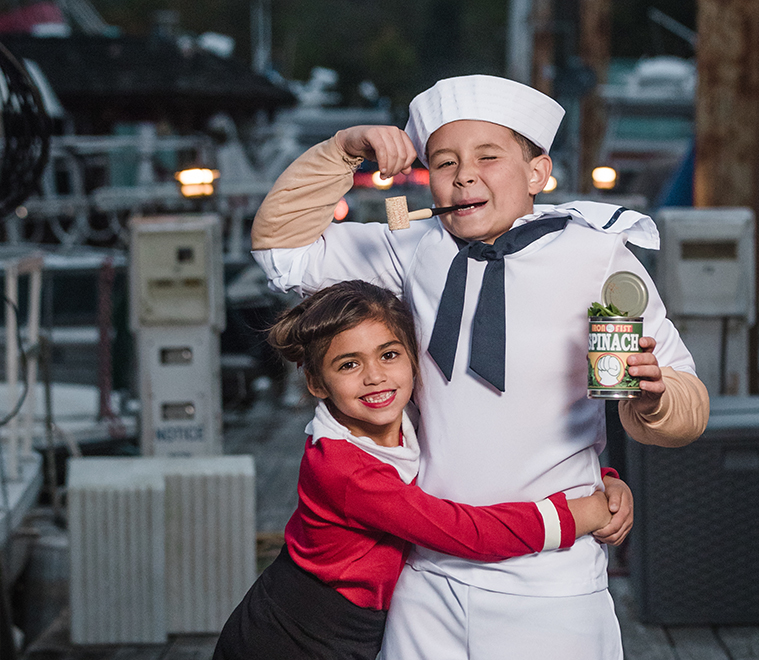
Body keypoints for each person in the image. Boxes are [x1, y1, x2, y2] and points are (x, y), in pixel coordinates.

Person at [251, 74, 710, 659]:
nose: (464, 175)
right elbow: (281, 251)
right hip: (426, 575)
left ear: (537, 173)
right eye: (445, 162)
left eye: (488, 157)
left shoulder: (599, 255)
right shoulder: (411, 245)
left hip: (553, 580)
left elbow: (688, 412)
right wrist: (342, 150)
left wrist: (654, 399)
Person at [213, 279, 620, 660]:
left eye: (389, 355)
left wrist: (599, 481)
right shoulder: (343, 468)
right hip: (290, 635)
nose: (375, 377)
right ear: (317, 383)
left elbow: (497, 454)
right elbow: (467, 533)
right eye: (348, 365)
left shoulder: (409, 417)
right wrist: (581, 513)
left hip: (345, 629)